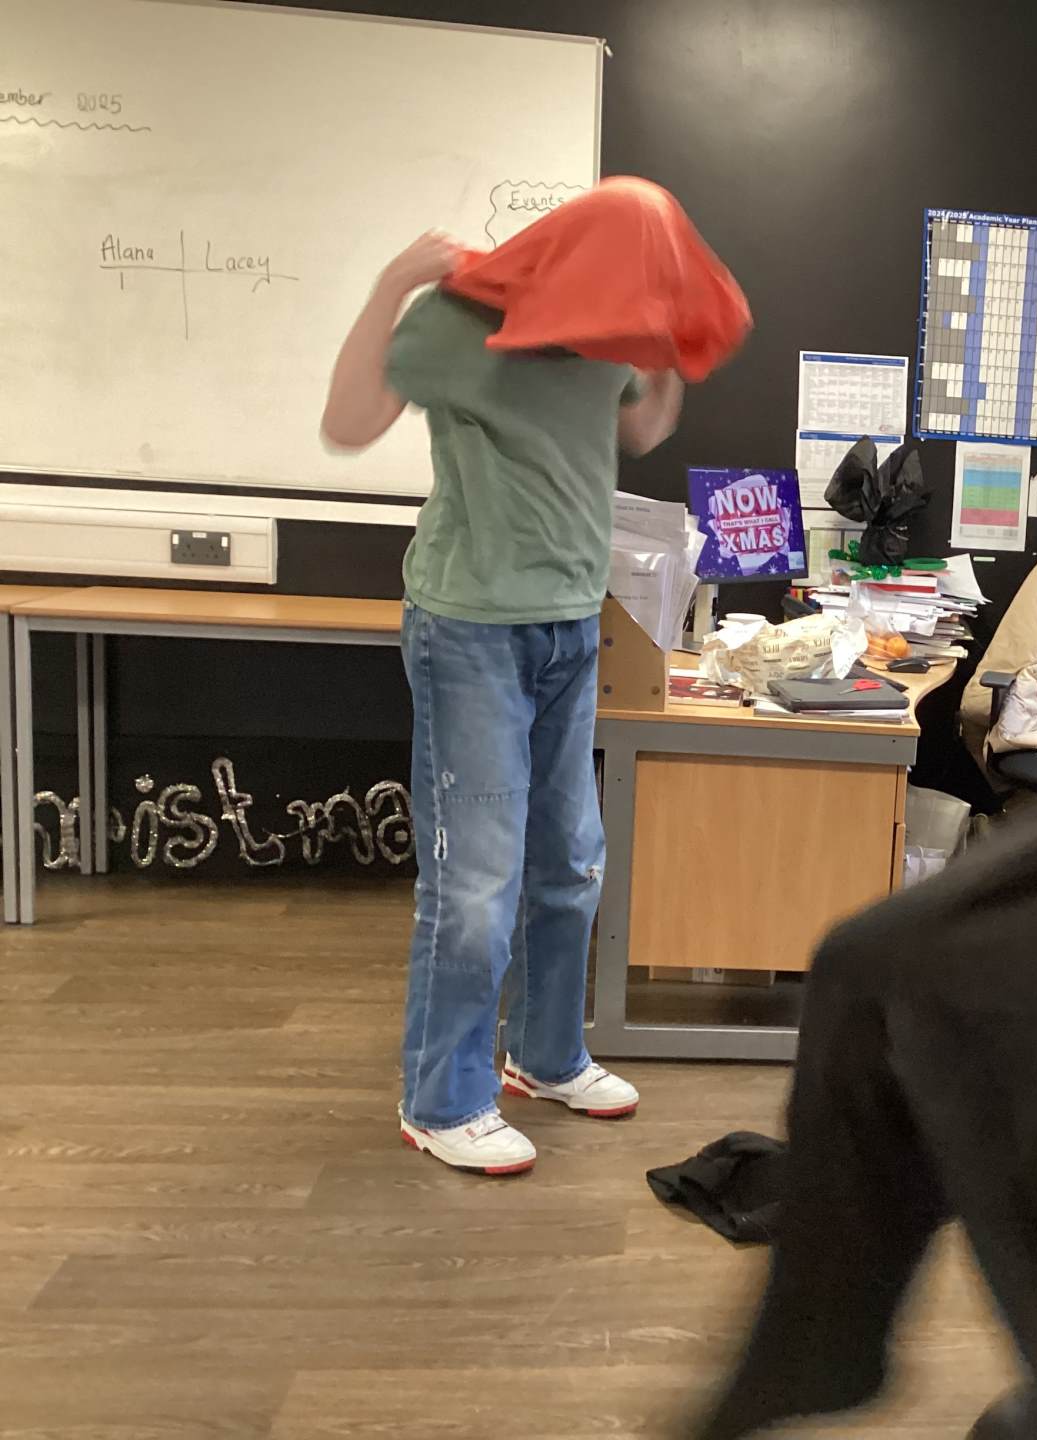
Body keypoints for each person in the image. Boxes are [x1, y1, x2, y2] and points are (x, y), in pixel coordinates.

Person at [321, 179, 750, 1176]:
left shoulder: (609, 334)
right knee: (475, 883)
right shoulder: (458, 321)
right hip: (470, 629)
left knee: (572, 863)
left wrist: (668, 350)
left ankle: (546, 1057)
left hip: (568, 623)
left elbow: (639, 433)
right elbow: (348, 422)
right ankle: (442, 1099)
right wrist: (392, 284)